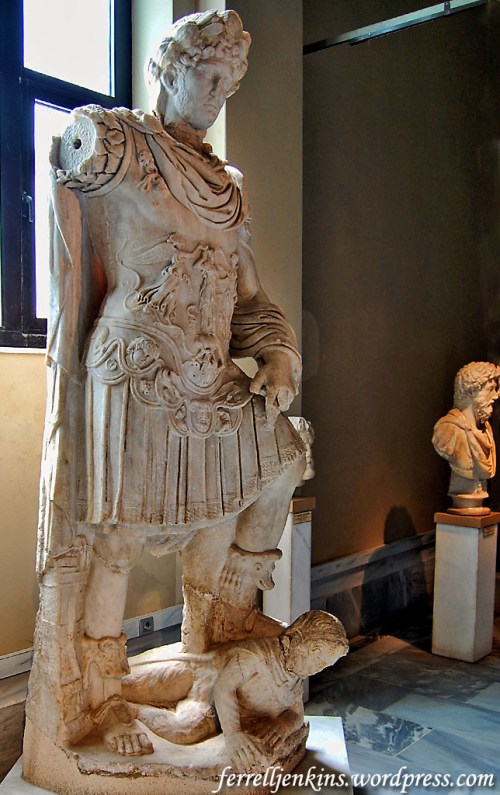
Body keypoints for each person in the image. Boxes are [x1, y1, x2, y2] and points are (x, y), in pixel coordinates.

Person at [32, 10, 306, 757]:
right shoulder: (122, 144)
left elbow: (250, 303)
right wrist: (80, 141)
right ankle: (99, 697)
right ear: (166, 67)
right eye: (206, 73)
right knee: (115, 543)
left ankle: (212, 637)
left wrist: (278, 356)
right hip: (134, 369)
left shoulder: (229, 189)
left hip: (208, 378)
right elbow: (67, 160)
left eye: (230, 83)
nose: (217, 93)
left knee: (277, 461)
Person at [121, 611, 349, 772]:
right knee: (125, 684)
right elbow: (224, 687)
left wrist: (282, 725)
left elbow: (295, 713)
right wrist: (233, 734)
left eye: (325, 665)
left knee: (185, 731)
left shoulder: (293, 676)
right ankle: (119, 704)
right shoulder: (256, 657)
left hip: (224, 711)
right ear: (293, 640)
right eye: (317, 657)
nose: (318, 668)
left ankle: (129, 710)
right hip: (204, 686)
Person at [432, 361, 499, 513]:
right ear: (472, 391)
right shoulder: (448, 429)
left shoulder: (485, 430)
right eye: (490, 389)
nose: (496, 395)